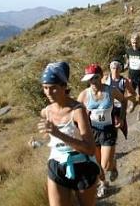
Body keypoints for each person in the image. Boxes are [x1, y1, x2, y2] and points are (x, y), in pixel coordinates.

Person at [38, 62, 99, 206]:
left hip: (82, 166)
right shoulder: (46, 112)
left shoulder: (77, 111)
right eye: (45, 88)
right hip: (57, 165)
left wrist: (58, 134)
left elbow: (90, 148)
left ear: (64, 86)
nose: (48, 92)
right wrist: (37, 142)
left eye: (53, 88)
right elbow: (50, 140)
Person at [78, 63, 126, 198]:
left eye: (95, 78)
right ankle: (103, 184)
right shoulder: (84, 95)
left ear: (100, 77)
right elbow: (76, 112)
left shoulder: (110, 91)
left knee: (105, 165)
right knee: (97, 164)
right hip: (92, 132)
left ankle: (113, 164)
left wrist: (121, 118)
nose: (92, 82)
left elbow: (123, 101)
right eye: (89, 79)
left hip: (108, 130)